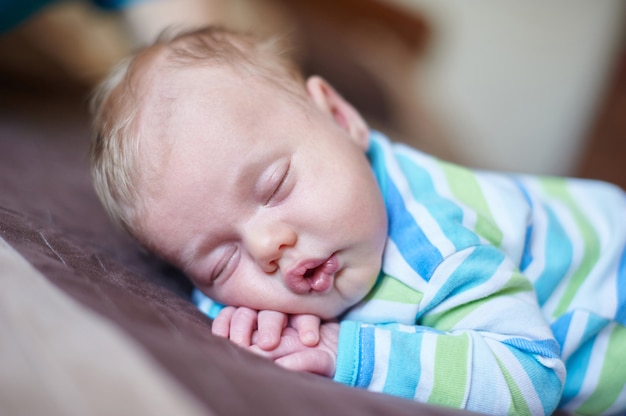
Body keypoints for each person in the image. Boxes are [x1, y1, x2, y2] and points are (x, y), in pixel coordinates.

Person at [89, 26, 626, 416]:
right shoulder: (288, 254)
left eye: (274, 186)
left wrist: (343, 351)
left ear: (342, 119)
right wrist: (251, 318)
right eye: (221, 260)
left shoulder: (438, 245)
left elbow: (530, 378)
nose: (269, 246)